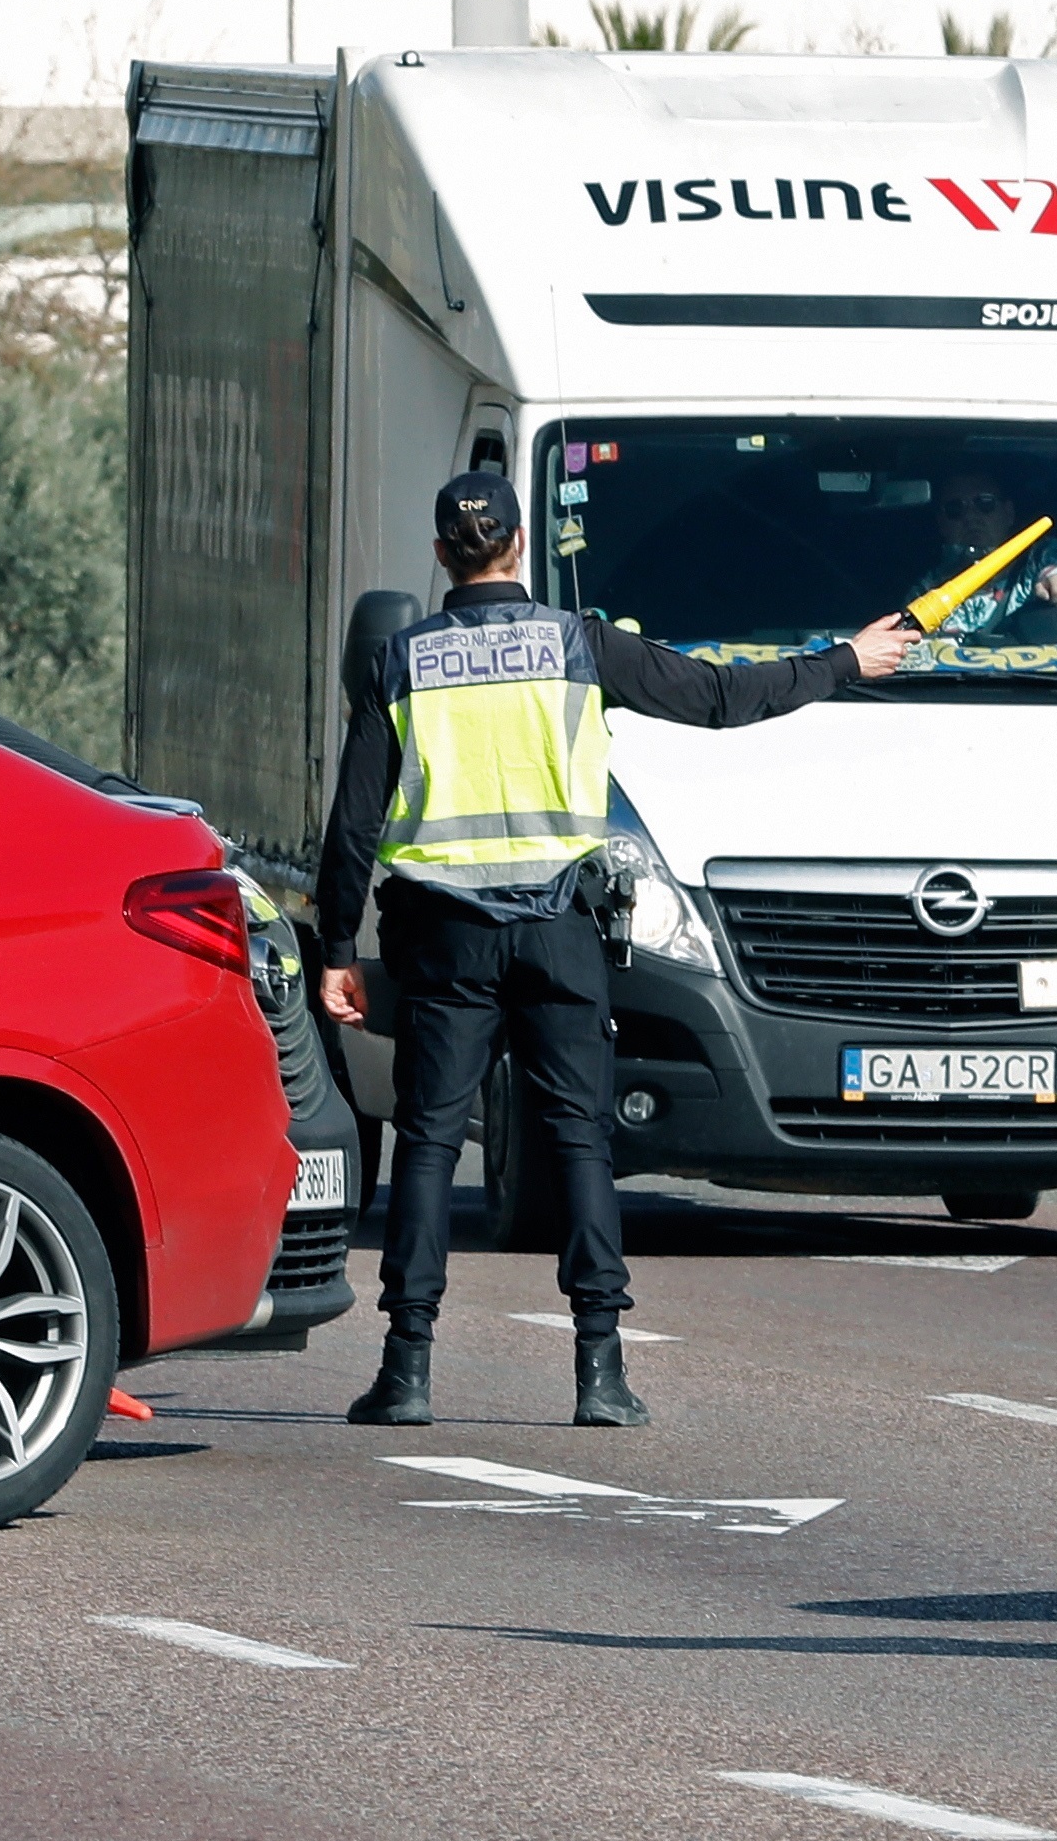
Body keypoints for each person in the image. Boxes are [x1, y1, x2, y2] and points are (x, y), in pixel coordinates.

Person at [313, 467, 919, 1427]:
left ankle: (407, 1371)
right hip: (560, 931)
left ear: (441, 558)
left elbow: (351, 825)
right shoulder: (578, 645)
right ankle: (601, 1372)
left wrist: (338, 945)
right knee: (579, 1144)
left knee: (430, 1143)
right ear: (519, 545)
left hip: (445, 939)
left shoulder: (402, 661)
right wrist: (845, 660)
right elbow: (722, 698)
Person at [917, 463, 1057, 637]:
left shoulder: (1036, 560)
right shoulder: (926, 590)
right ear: (941, 524)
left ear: (1008, 513)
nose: (971, 517)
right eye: (955, 509)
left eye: (985, 503)